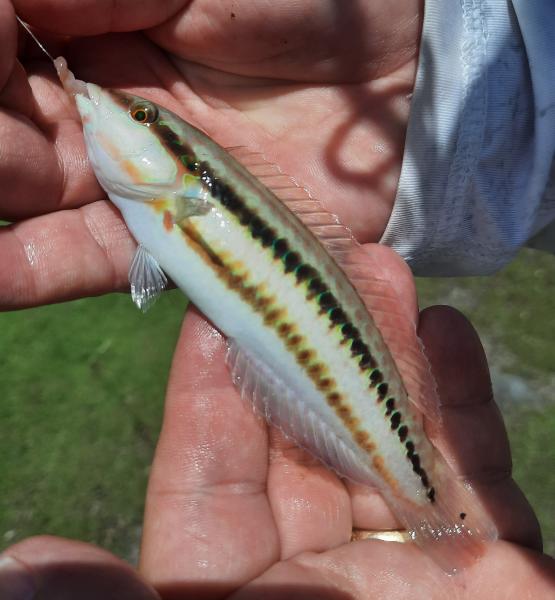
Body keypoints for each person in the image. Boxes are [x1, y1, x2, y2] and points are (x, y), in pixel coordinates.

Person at [0, 0, 553, 597]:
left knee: (368, 410)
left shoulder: (174, 197)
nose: (101, 105)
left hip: (324, 330)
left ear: (179, 164)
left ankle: (428, 502)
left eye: (136, 111)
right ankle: (428, 503)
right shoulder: (167, 196)